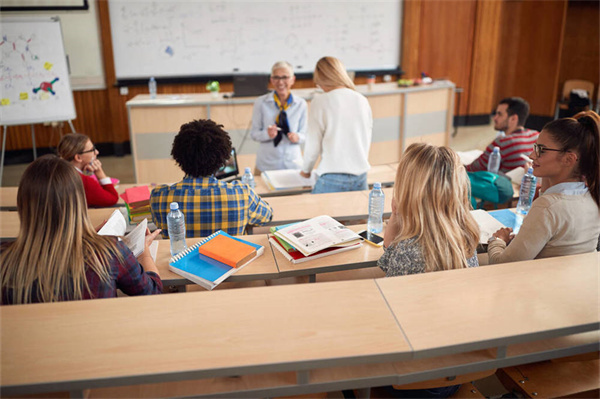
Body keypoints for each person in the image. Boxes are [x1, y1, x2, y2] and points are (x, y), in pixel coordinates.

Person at [377, 143, 479, 398]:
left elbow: (390, 324)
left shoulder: (409, 248)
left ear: (409, 190)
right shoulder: (465, 236)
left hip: (417, 382)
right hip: (458, 368)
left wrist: (394, 218)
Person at [0, 155, 162, 305]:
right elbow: (152, 292)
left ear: (22, 205)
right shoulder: (109, 251)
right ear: (79, 202)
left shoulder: (4, 260)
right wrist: (144, 252)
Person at [488, 111, 600, 263]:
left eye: (541, 150)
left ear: (569, 159)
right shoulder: (591, 195)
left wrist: (498, 240)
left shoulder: (547, 207)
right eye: (535, 147)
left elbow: (502, 264)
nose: (531, 155)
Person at [150, 119, 273, 238]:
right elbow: (267, 216)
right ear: (223, 159)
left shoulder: (159, 197)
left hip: (180, 258)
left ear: (178, 156)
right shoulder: (242, 193)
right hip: (229, 258)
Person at [378, 143, 480, 277]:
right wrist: (395, 215)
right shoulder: (465, 236)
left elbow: (389, 285)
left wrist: (397, 213)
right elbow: (390, 262)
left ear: (410, 192)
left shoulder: (408, 251)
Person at [300, 56, 373, 193]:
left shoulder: (320, 101)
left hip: (331, 177)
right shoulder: (362, 100)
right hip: (361, 176)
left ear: (321, 77)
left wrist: (306, 171)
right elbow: (366, 139)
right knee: (358, 215)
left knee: (314, 214)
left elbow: (313, 145)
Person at [250, 61, 307, 173]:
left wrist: (297, 137)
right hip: (266, 164)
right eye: (276, 77)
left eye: (285, 77)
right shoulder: (260, 103)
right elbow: (254, 134)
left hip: (293, 163)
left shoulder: (301, 104)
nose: (280, 82)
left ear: (292, 79)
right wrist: (268, 134)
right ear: (271, 80)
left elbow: (305, 134)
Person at [466, 97, 539, 173]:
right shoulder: (536, 135)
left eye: (499, 114)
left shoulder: (502, 142)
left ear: (513, 118)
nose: (495, 118)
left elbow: (472, 169)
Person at [57, 133, 119, 207]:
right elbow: (113, 198)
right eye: (92, 150)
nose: (96, 152)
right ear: (78, 158)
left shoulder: (58, 172)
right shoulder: (83, 181)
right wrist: (100, 173)